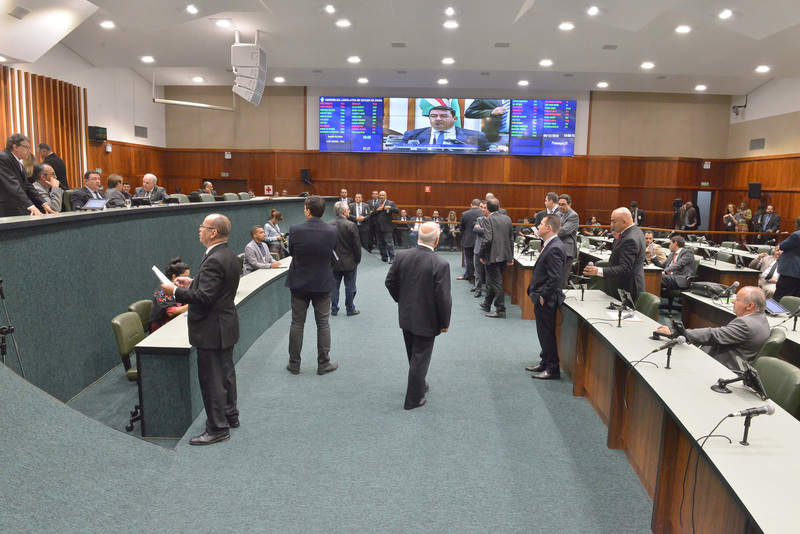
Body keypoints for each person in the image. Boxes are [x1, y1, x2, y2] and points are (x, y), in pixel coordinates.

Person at [160, 214, 241, 445]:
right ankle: (230, 415)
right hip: (225, 325)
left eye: (202, 227)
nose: (199, 230)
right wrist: (193, 282)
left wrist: (175, 292)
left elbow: (205, 297)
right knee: (226, 374)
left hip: (211, 329)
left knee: (212, 380)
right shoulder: (228, 254)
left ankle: (217, 429)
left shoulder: (214, 259)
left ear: (213, 232)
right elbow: (215, 287)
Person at [385, 222, 451, 410]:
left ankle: (419, 383)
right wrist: (445, 322)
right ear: (436, 241)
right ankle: (413, 399)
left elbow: (390, 282)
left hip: (406, 314)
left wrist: (402, 300)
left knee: (413, 354)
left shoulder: (401, 256)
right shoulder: (440, 264)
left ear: (419, 237)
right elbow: (443, 298)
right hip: (427, 318)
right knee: (420, 357)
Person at [285, 195, 340, 375]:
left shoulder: (295, 230)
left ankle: (294, 364)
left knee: (297, 323)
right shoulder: (332, 231)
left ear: (308, 211)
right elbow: (333, 252)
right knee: (323, 324)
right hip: (323, 283)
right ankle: (323, 364)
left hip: (299, 282)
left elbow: (292, 252)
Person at [657, 286, 770, 371]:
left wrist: (679, 332)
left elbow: (714, 334)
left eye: (737, 299)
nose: (733, 301)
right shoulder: (760, 318)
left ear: (750, 306)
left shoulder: (745, 324)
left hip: (722, 368)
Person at [525, 214, 566, 380]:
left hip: (547, 300)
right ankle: (545, 361)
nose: (538, 226)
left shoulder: (555, 247)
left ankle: (552, 369)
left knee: (547, 334)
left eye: (541, 224)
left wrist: (543, 296)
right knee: (542, 333)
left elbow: (555, 277)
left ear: (549, 228)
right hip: (543, 297)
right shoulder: (550, 244)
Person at [583, 207, 646, 301]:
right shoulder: (637, 231)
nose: (611, 225)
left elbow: (625, 269)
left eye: (614, 222)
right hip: (626, 285)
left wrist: (598, 271)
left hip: (627, 288)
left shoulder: (630, 239)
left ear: (624, 222)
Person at [479, 197, 514, 318]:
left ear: (488, 208)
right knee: (493, 280)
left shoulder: (488, 220)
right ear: (498, 207)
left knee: (496, 282)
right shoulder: (507, 218)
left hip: (492, 256)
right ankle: (487, 303)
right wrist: (511, 257)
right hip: (504, 255)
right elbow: (511, 238)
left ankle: (500, 310)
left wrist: (481, 254)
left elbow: (487, 239)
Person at [0, 133, 50, 217]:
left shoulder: (17, 162)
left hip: (16, 209)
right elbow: (13, 186)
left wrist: (43, 202)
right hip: (7, 211)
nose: (29, 151)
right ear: (15, 147)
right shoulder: (3, 158)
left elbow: (27, 185)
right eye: (27, 147)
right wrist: (30, 206)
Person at [401, 105, 491, 151]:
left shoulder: (477, 136)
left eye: (444, 116)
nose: (438, 119)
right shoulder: (412, 135)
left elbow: (488, 155)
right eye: (433, 116)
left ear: (454, 119)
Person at [329, 200, 362, 316]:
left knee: (334, 287)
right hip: (349, 261)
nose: (349, 212)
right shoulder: (351, 225)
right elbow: (357, 245)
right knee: (350, 287)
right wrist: (358, 259)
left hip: (333, 261)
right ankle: (350, 308)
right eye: (348, 210)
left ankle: (334, 309)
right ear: (344, 211)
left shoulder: (328, 225)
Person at [149, 257, 190, 333]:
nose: (187, 279)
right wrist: (192, 305)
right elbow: (171, 312)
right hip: (161, 328)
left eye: (188, 276)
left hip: (174, 323)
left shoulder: (179, 288)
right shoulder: (163, 291)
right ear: (174, 277)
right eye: (185, 276)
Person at [774, 218, 800, 300]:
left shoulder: (796, 235)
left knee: (779, 298)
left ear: (797, 224)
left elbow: (782, 246)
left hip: (790, 272)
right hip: (797, 275)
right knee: (795, 300)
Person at [369, 190, 399, 263]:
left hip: (387, 227)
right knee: (380, 244)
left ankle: (392, 258)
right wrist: (377, 210)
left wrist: (390, 208)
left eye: (383, 195)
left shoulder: (390, 203)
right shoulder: (377, 204)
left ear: (386, 196)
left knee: (389, 243)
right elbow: (372, 214)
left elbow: (397, 211)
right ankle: (384, 257)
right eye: (380, 195)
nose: (381, 197)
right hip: (378, 227)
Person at [556, 194, 580, 287]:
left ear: (569, 204)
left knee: (562, 278)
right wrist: (558, 228)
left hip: (567, 250)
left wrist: (557, 228)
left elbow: (563, 231)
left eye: (563, 204)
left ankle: (562, 295)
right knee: (556, 276)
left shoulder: (573, 215)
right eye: (559, 204)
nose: (560, 206)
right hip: (557, 247)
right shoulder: (557, 214)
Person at [458, 199, 482, 283]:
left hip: (467, 240)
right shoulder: (482, 213)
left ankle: (471, 278)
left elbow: (461, 228)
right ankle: (479, 278)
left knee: (469, 260)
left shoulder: (464, 214)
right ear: (479, 205)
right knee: (479, 260)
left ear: (471, 204)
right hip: (479, 241)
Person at [472, 201, 488, 297]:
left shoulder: (492, 220)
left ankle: (489, 290)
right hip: (478, 249)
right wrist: (485, 230)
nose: (482, 209)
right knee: (477, 271)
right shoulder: (479, 219)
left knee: (488, 272)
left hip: (488, 249)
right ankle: (478, 289)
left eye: (485, 207)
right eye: (482, 207)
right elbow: (475, 229)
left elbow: (492, 232)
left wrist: (481, 229)